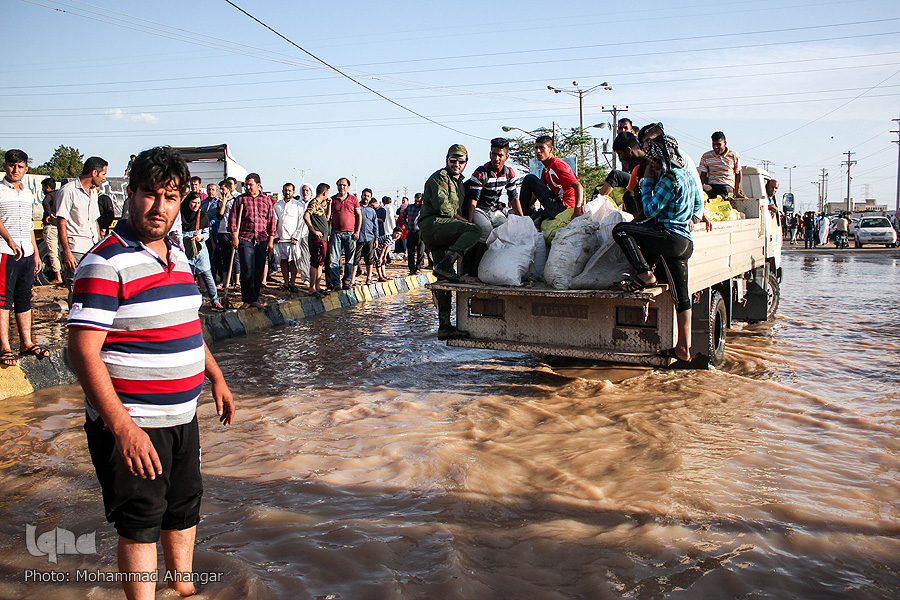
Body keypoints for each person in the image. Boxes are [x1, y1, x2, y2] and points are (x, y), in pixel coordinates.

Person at [68, 146, 235, 600]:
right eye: (149, 194)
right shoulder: (104, 262)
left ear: (182, 200)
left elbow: (186, 325)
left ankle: (184, 590)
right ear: (130, 194)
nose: (159, 207)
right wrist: (122, 427)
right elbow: (82, 353)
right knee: (140, 523)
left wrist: (216, 377)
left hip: (182, 418)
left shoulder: (177, 254)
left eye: (170, 196)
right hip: (133, 423)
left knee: (183, 511)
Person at [612, 135, 707, 363]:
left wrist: (646, 182)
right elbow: (697, 203)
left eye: (654, 161)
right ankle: (683, 348)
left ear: (663, 159)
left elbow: (650, 210)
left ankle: (645, 273)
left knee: (621, 230)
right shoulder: (686, 175)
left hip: (668, 237)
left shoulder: (669, 179)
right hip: (684, 242)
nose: (652, 164)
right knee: (681, 296)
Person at [419, 144, 481, 339]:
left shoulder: (460, 183)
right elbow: (445, 209)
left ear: (465, 163)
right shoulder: (440, 178)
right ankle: (446, 264)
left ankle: (444, 325)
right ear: (447, 160)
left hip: (442, 230)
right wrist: (467, 224)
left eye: (461, 161)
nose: (457, 164)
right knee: (474, 230)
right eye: (453, 160)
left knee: (443, 281)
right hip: (434, 225)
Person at [0, 149, 48, 366]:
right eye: (12, 165)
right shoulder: (1, 190)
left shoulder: (27, 193)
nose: (15, 170)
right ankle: (4, 347)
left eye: (20, 166)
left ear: (26, 169)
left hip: (27, 252)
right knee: (3, 300)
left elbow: (29, 225)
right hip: (5, 251)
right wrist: (10, 241)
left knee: (24, 298)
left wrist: (36, 253)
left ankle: (26, 342)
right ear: (5, 166)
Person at [463, 137, 522, 274]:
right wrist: (469, 222)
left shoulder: (509, 173)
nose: (496, 158)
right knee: (486, 229)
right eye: (494, 154)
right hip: (479, 209)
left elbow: (513, 197)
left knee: (506, 229)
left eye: (500, 155)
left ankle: (498, 266)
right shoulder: (480, 173)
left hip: (495, 210)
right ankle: (475, 266)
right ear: (490, 155)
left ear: (506, 157)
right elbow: (473, 200)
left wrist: (522, 219)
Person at [57, 156, 108, 290]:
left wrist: (99, 244)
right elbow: (61, 222)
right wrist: (67, 252)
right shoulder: (68, 190)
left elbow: (94, 221)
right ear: (94, 173)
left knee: (91, 287)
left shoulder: (93, 192)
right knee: (75, 287)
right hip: (75, 248)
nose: (104, 178)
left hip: (91, 247)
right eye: (103, 174)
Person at [229, 173, 275, 309]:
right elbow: (233, 219)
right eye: (246, 185)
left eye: (250, 184)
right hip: (245, 238)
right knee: (247, 270)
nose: (248, 187)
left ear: (258, 185)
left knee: (258, 270)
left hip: (262, 239)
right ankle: (247, 299)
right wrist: (234, 236)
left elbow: (271, 221)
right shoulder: (240, 200)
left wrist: (270, 241)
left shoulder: (266, 200)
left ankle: (254, 298)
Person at [518, 135, 584, 225]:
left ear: (551, 149)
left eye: (542, 148)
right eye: (536, 148)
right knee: (537, 216)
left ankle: (522, 214)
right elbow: (537, 191)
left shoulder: (557, 164)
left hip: (564, 207)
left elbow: (578, 186)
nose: (538, 151)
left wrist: (577, 211)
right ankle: (524, 214)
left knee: (529, 179)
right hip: (556, 205)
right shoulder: (546, 168)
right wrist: (528, 206)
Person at [182, 192, 224, 310]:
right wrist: (185, 239)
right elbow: (176, 232)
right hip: (186, 249)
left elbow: (206, 233)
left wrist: (200, 237)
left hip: (200, 249)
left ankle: (215, 301)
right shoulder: (181, 215)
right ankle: (189, 302)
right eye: (193, 203)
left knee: (207, 275)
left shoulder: (202, 215)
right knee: (188, 277)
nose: (196, 206)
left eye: (198, 203)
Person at [326, 177, 361, 290]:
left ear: (348, 187)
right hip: (336, 233)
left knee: (349, 260)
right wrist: (328, 233)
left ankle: (347, 281)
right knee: (334, 259)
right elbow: (328, 217)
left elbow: (359, 216)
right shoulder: (333, 200)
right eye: (340, 185)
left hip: (350, 234)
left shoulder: (353, 199)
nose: (342, 187)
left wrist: (357, 231)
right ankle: (335, 282)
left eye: (344, 185)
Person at [273, 182, 305, 292]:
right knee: (283, 261)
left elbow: (301, 222)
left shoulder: (298, 205)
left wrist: (296, 236)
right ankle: (286, 282)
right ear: (282, 191)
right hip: (281, 238)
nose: (287, 192)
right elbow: (275, 221)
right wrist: (276, 235)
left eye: (289, 190)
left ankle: (293, 283)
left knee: (293, 261)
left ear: (293, 192)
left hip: (292, 239)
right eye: (285, 190)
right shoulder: (277, 205)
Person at [304, 182, 331, 297]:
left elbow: (327, 218)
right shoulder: (314, 203)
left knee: (320, 263)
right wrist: (313, 230)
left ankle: (318, 286)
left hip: (323, 238)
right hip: (316, 239)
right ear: (324, 193)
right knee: (315, 262)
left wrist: (329, 205)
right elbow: (306, 216)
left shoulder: (319, 205)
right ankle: (312, 288)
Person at [698, 131, 742, 199]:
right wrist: (699, 187)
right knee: (701, 191)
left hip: (726, 185)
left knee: (724, 194)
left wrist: (737, 191)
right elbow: (703, 175)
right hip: (712, 185)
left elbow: (738, 173)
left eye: (718, 144)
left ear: (725, 143)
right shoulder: (706, 156)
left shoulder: (733, 155)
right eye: (713, 144)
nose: (715, 147)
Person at [40, 177, 63, 284]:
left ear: (47, 187)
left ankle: (58, 276)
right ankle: (64, 275)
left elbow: (45, 202)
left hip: (51, 226)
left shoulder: (49, 196)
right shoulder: (59, 194)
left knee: (52, 251)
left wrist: (49, 214)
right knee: (60, 251)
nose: (43, 190)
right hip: (60, 226)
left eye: (43, 188)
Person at [354, 189, 378, 285]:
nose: (366, 197)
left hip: (370, 237)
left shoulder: (372, 211)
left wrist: (376, 239)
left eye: (368, 196)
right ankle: (352, 279)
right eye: (364, 195)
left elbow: (375, 225)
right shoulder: (356, 208)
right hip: (358, 238)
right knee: (356, 259)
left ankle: (369, 278)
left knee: (369, 259)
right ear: (361, 196)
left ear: (370, 198)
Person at [402, 193, 425, 275]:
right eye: (416, 201)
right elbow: (403, 215)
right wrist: (405, 224)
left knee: (420, 251)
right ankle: (411, 268)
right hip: (411, 231)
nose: (417, 203)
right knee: (411, 252)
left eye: (419, 201)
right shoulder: (410, 207)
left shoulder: (424, 208)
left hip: (420, 232)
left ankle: (418, 267)